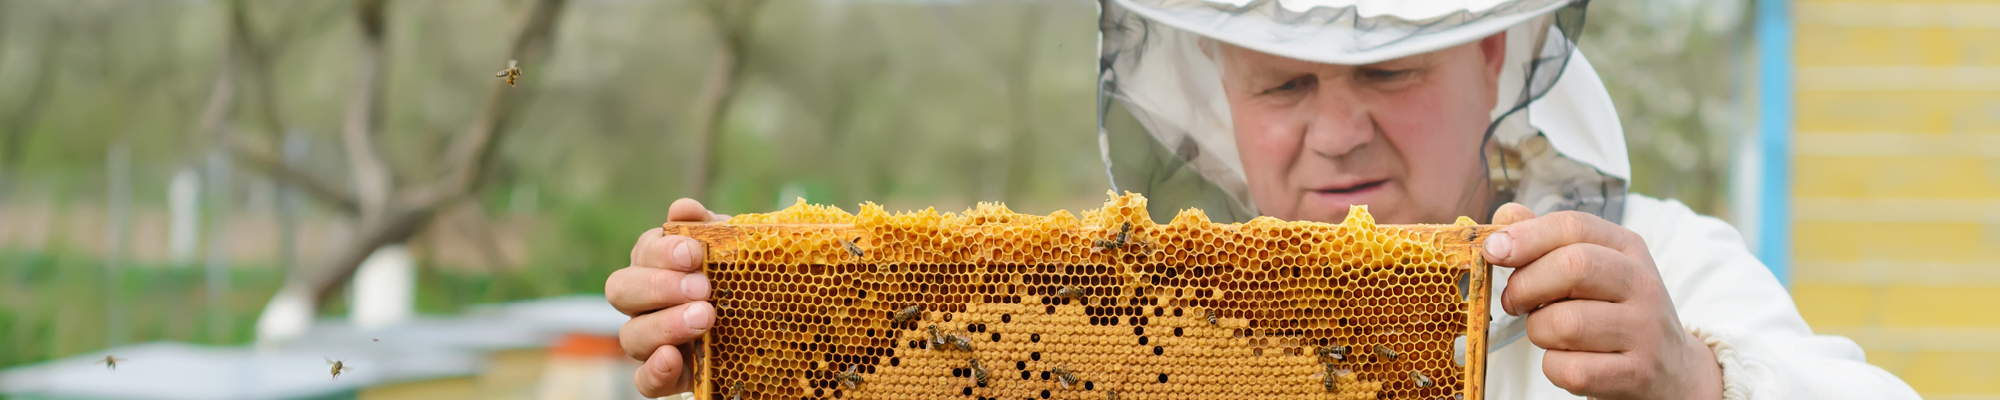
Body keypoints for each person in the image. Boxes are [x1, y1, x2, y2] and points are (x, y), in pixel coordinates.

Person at [608, 0, 1921, 398]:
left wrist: (1699, 384)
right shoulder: (1108, 329)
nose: (1336, 134)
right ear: (1220, 91)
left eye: (1389, 73)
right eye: (1285, 86)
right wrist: (744, 347)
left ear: (1490, 59)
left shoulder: (1662, 272)